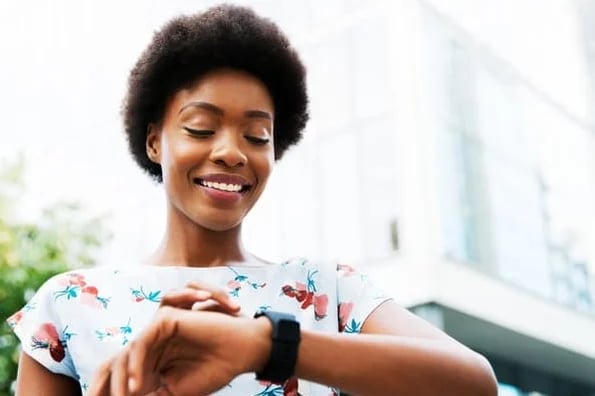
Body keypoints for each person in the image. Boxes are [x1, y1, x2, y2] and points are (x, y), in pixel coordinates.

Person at [8, 4, 498, 396]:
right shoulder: (69, 305)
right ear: (155, 141)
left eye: (257, 136)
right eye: (201, 128)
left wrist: (266, 344)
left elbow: (473, 383)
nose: (231, 152)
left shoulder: (325, 289)